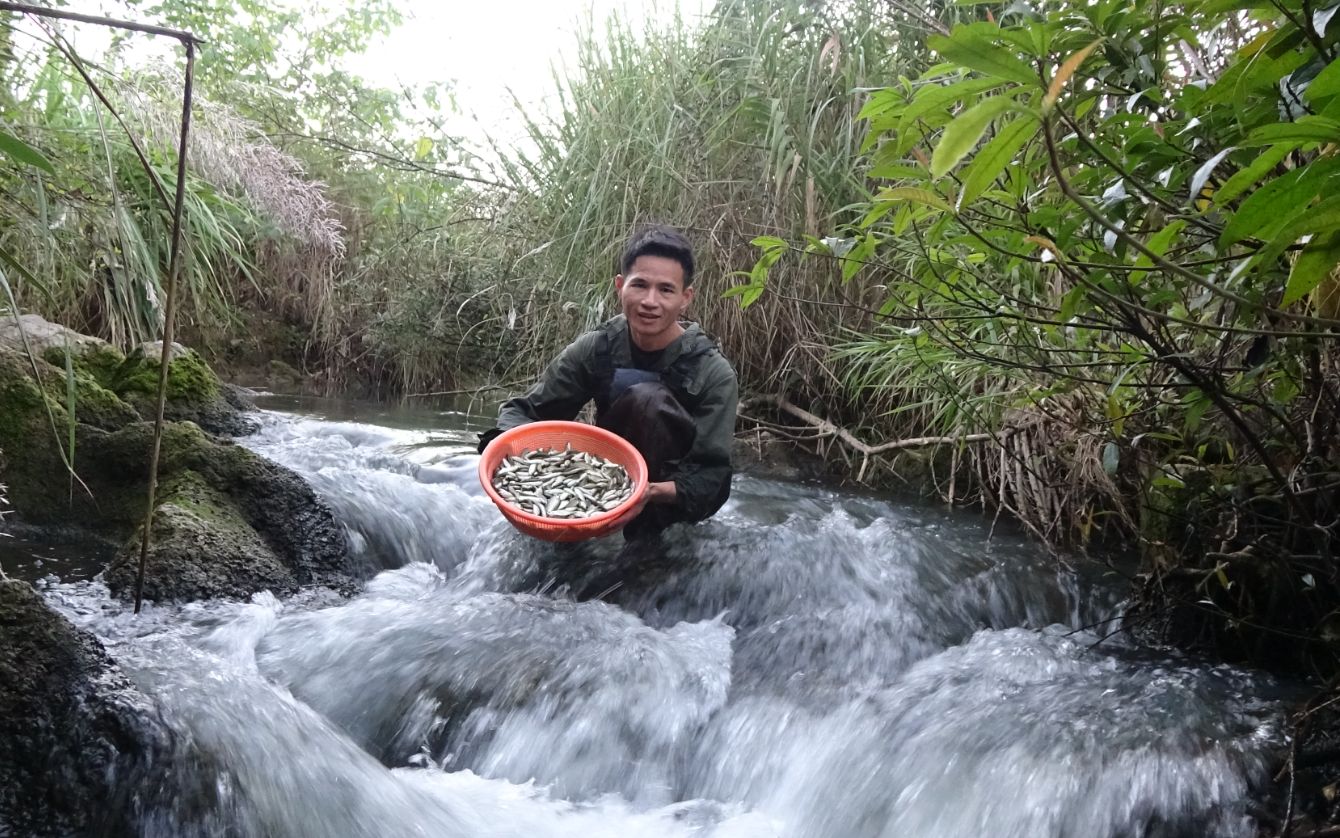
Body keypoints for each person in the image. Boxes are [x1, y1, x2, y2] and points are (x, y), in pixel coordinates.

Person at [478, 224, 738, 541]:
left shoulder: (713, 373)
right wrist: (501, 452)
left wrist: (647, 492)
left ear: (685, 298)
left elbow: (712, 479)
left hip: (664, 501)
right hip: (596, 483)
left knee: (649, 400)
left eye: (666, 290)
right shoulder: (597, 347)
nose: (650, 301)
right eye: (639, 285)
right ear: (620, 286)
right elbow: (526, 411)